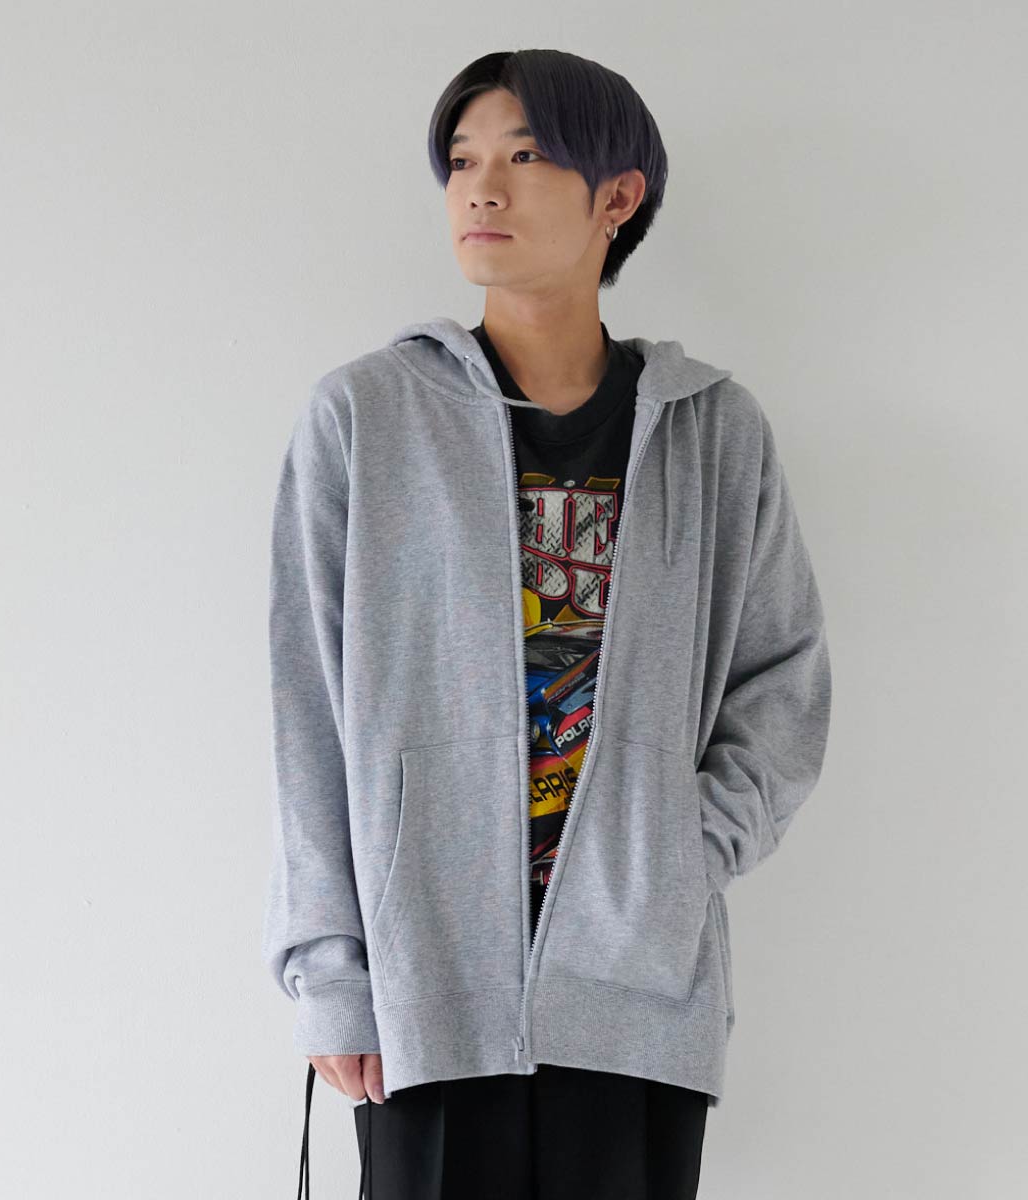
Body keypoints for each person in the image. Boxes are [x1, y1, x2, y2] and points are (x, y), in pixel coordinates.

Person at [262, 48, 833, 1200]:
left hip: (636, 994)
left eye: (524, 156)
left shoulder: (714, 432)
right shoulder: (366, 417)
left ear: (616, 196)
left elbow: (783, 686)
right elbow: (308, 710)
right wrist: (332, 975)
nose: (481, 189)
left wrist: (676, 857)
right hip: (425, 991)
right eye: (462, 159)